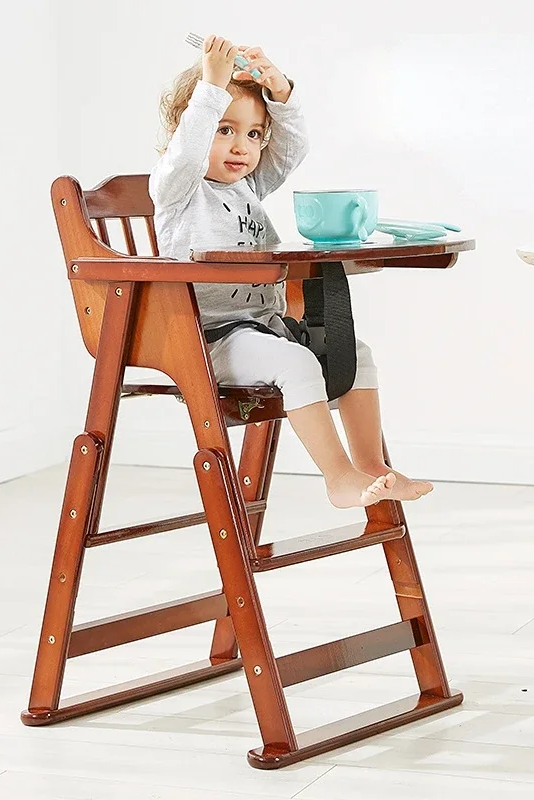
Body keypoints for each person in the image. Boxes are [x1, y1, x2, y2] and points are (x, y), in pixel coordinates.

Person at [150, 34, 433, 508]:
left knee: (354, 353)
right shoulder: (177, 188)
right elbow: (185, 151)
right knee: (298, 363)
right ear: (193, 127)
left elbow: (293, 147)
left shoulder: (248, 188)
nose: (241, 145)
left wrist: (280, 90)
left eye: (254, 134)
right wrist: (212, 85)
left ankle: (371, 466)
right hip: (208, 340)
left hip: (266, 330)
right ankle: (337, 477)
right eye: (224, 129)